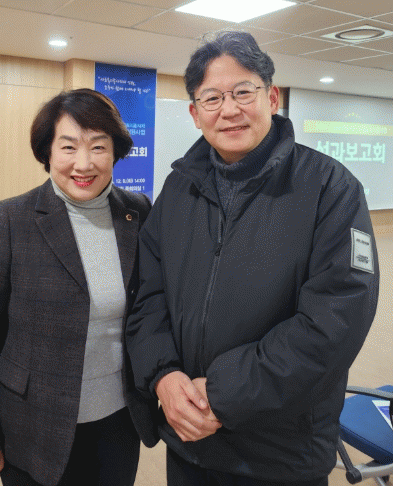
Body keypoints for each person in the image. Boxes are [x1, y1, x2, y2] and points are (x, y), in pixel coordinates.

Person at [126, 31, 380, 486]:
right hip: (189, 443)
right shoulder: (178, 190)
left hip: (280, 454)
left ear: (272, 97)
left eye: (243, 91)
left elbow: (334, 323)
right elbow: (148, 295)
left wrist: (222, 395)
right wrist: (163, 376)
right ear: (195, 113)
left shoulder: (330, 189)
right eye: (212, 98)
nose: (229, 109)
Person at [0, 88, 158, 486]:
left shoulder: (137, 211)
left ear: (115, 152)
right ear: (47, 152)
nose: (84, 163)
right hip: (34, 425)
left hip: (118, 423)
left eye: (98, 146)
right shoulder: (10, 219)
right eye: (68, 147)